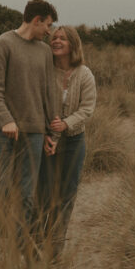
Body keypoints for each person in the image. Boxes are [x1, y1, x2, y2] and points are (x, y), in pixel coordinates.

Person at [0, 0, 62, 237]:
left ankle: (19, 247)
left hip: (35, 132)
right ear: (37, 20)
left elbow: (48, 93)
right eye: (48, 25)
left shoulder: (44, 52)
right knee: (2, 190)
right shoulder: (3, 44)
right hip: (2, 131)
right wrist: (7, 120)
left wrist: (52, 133)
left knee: (27, 193)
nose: (49, 32)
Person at [37, 24, 97, 257]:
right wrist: (45, 133)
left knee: (66, 194)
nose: (56, 41)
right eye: (54, 38)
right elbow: (37, 101)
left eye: (62, 38)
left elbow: (87, 109)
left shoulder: (84, 74)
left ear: (72, 44)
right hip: (46, 141)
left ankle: (54, 249)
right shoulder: (45, 70)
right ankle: (37, 243)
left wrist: (67, 123)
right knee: (43, 194)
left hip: (73, 141)